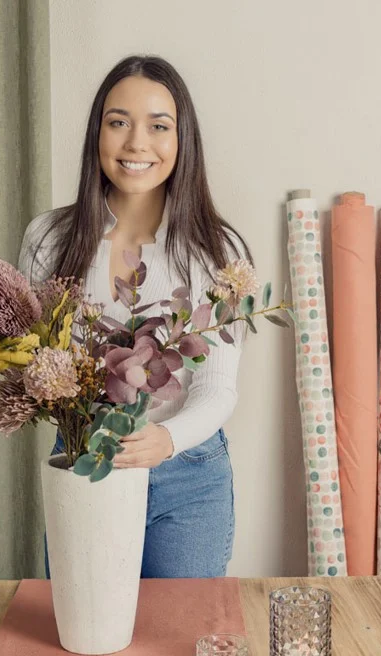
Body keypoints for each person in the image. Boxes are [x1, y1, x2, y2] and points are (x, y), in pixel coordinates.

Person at [18, 54, 254, 580]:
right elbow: (34, 365)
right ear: (97, 133)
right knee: (87, 643)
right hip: (85, 462)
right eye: (118, 122)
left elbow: (218, 386)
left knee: (178, 645)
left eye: (158, 126)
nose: (136, 144)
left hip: (189, 476)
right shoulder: (48, 242)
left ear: (181, 139)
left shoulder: (216, 250)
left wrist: (167, 439)